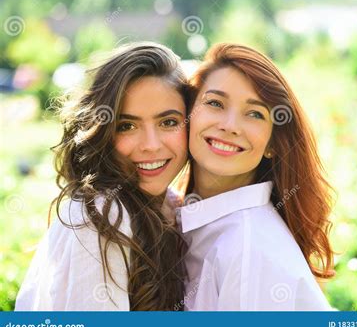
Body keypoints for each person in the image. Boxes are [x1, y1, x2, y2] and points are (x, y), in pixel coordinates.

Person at [15, 42, 189, 311]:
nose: (151, 145)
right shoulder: (100, 216)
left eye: (168, 122)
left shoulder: (172, 204)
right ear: (103, 133)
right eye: (127, 126)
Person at [178, 43, 336, 311]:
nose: (229, 126)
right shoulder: (194, 220)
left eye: (254, 114)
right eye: (215, 103)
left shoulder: (248, 249)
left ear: (273, 144)